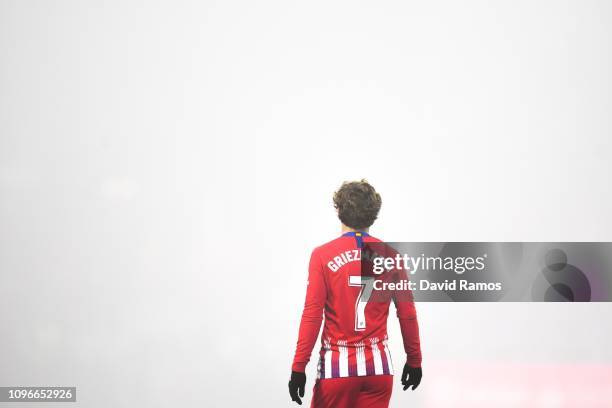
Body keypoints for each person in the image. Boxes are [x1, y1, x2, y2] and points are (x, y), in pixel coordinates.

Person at [288, 180, 422, 408]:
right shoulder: (391, 256)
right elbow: (407, 314)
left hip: (337, 369)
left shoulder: (322, 255)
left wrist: (299, 367)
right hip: (379, 370)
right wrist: (414, 360)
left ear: (339, 210)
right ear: (373, 214)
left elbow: (313, 314)